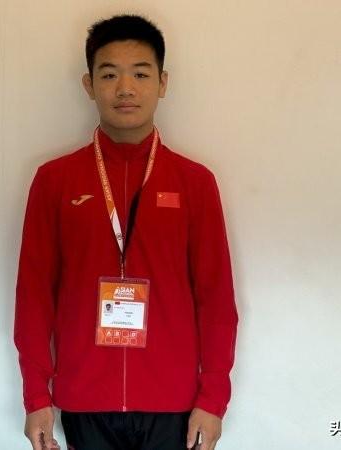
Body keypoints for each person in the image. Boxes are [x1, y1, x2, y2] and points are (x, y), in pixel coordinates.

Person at [14, 14, 239, 450]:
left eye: (140, 73)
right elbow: (34, 295)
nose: (125, 88)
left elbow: (216, 299)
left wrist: (213, 399)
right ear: (88, 84)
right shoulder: (55, 180)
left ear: (163, 82)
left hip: (172, 403)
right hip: (83, 399)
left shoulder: (194, 182)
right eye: (109, 74)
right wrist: (36, 396)